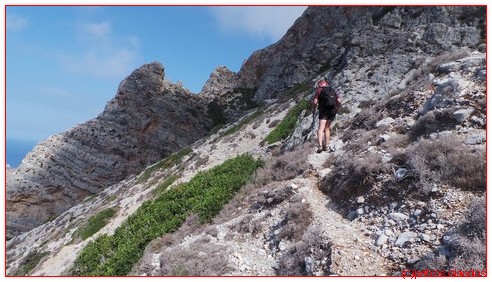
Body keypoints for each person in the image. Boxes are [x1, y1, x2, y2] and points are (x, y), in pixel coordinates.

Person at [312, 79, 341, 153]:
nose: (318, 86)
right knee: (327, 128)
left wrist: (314, 109)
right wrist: (337, 107)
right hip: (332, 111)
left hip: (323, 111)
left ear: (321, 84)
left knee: (321, 128)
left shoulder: (318, 90)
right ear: (326, 84)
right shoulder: (332, 90)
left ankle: (320, 146)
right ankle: (327, 146)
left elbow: (315, 102)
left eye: (318, 84)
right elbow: (339, 100)